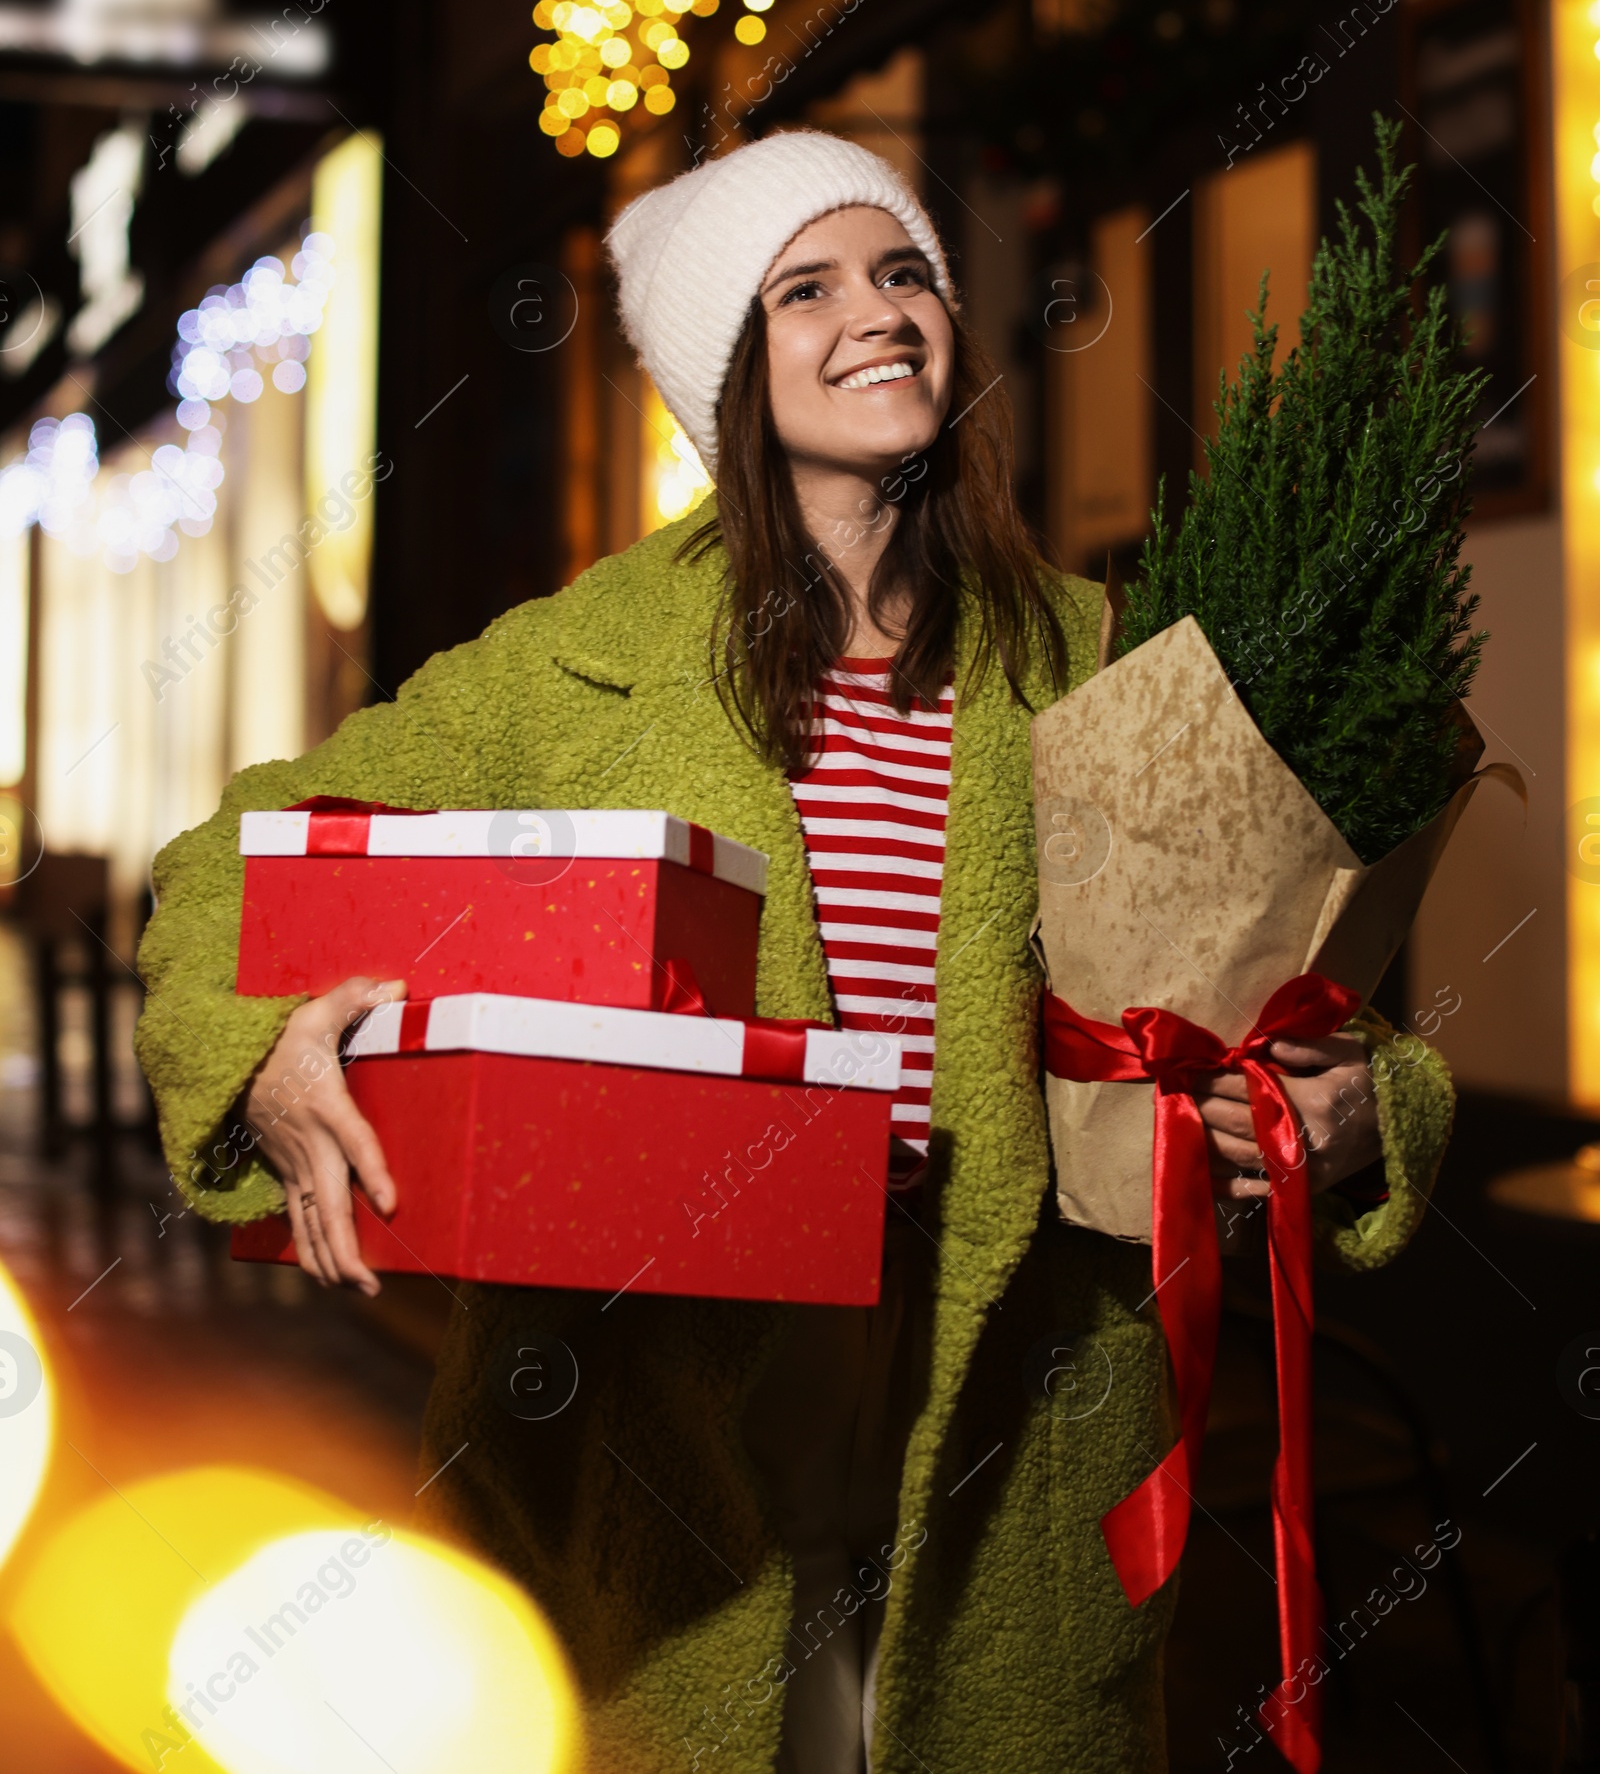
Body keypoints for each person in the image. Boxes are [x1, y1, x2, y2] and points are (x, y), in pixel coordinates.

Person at [136, 130, 1454, 1773]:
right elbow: (231, 863)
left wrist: (1356, 1113)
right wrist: (262, 1043)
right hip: (661, 1446)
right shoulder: (572, 667)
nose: (879, 312)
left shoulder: (1110, 659)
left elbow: (1296, 994)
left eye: (905, 272)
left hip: (1014, 1441)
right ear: (724, 371)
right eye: (806, 289)